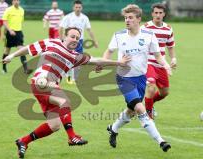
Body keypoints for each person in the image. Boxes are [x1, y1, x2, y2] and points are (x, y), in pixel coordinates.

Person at [2, 27, 131, 159]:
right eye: (72, 36)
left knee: (54, 125)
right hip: (40, 82)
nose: (75, 39)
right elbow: (29, 48)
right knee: (64, 100)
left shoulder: (75, 56)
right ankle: (72, 137)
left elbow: (97, 60)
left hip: (49, 89)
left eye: (77, 38)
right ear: (64, 36)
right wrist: (11, 55)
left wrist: (118, 62)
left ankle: (23, 141)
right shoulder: (51, 42)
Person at [99, 4, 171, 152]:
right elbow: (109, 51)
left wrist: (166, 65)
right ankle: (161, 141)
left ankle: (113, 128)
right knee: (139, 108)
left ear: (138, 19)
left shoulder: (149, 36)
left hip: (140, 78)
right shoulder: (119, 35)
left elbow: (158, 56)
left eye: (130, 18)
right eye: (126, 17)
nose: (127, 20)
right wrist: (103, 62)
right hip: (124, 78)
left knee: (131, 110)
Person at [141, 3, 177, 119]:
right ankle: (148, 117)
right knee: (151, 87)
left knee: (164, 93)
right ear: (152, 14)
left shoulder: (168, 29)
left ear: (164, 14)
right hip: (148, 63)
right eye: (156, 13)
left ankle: (148, 106)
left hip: (161, 63)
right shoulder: (145, 28)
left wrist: (173, 58)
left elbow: (170, 46)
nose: (158, 15)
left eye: (160, 13)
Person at [59, 0, 98, 84]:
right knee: (68, 59)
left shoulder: (84, 18)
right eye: (76, 7)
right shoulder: (68, 17)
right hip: (69, 42)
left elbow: (89, 30)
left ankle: (75, 78)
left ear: (82, 8)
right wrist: (61, 39)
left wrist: (94, 41)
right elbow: (61, 27)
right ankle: (68, 76)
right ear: (73, 8)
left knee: (78, 60)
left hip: (79, 42)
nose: (78, 9)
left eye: (79, 7)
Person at [1, 0, 32, 74]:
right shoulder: (8, 10)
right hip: (10, 32)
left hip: (19, 32)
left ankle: (26, 69)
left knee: (22, 50)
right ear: (12, 2)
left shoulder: (22, 10)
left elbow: (21, 21)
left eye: (17, 0)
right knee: (7, 51)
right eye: (15, 0)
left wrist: (18, 30)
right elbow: (4, 21)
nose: (16, 2)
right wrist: (10, 30)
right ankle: (4, 68)